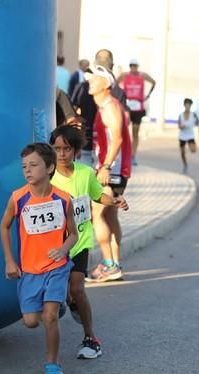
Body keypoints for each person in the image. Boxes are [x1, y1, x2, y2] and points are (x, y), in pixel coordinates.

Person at [0, 143, 78, 374]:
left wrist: (63, 249)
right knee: (31, 321)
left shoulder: (64, 200)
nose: (28, 170)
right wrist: (10, 260)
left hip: (56, 267)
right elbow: (4, 226)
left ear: (50, 167)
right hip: (30, 269)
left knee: (50, 317)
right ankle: (58, 306)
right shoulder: (18, 197)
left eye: (33, 165)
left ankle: (53, 366)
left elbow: (73, 234)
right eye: (24, 166)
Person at [49, 125, 128, 359]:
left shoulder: (85, 173)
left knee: (76, 287)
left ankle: (90, 337)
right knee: (60, 292)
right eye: (57, 149)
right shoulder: (48, 175)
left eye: (67, 149)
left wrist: (113, 201)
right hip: (54, 244)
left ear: (76, 151)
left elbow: (97, 194)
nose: (62, 154)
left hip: (80, 240)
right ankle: (70, 302)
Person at [85, 65, 133, 283]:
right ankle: (114, 263)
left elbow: (118, 139)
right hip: (111, 169)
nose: (90, 81)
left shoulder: (111, 107)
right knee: (110, 215)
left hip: (111, 171)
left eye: (95, 79)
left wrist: (105, 166)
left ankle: (109, 265)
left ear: (106, 84)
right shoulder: (104, 106)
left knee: (97, 214)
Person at [70, 49, 128, 168]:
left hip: (96, 152)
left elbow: (74, 116)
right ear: (111, 66)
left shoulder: (83, 87)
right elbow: (126, 122)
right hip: (97, 152)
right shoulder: (117, 91)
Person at [117, 59, 156, 162]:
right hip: (127, 107)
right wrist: (120, 96)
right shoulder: (125, 75)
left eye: (135, 66)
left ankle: (133, 155)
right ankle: (124, 153)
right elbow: (115, 84)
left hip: (138, 108)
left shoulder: (142, 75)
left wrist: (148, 95)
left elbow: (153, 82)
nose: (133, 68)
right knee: (124, 131)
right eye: (131, 66)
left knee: (135, 132)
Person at [178, 98, 199, 173]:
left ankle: (192, 146)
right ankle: (185, 164)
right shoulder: (181, 115)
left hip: (190, 135)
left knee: (193, 150)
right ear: (184, 105)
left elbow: (198, 123)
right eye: (186, 105)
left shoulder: (194, 115)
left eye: (189, 105)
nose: (187, 107)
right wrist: (181, 126)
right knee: (182, 152)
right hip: (182, 135)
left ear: (190, 106)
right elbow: (179, 125)